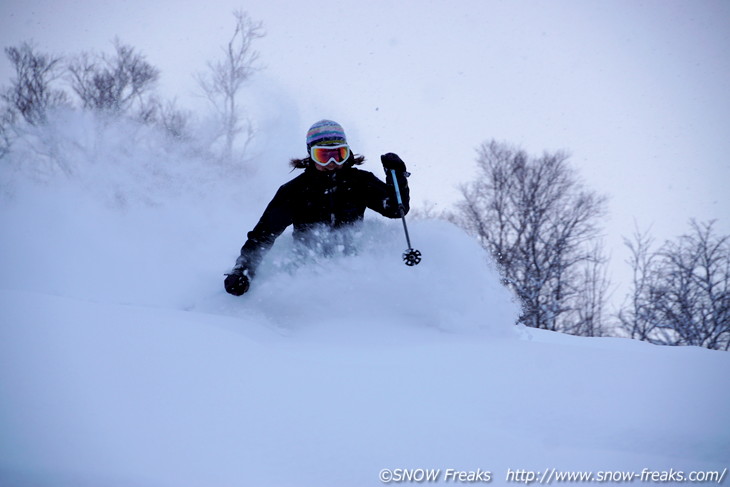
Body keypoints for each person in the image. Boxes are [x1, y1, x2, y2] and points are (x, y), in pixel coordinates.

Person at [224, 119, 411, 296]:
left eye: (339, 155)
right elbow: (263, 234)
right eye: (323, 156)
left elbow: (394, 209)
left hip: (354, 268)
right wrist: (243, 270)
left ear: (347, 153)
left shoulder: (360, 182)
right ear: (311, 155)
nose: (331, 164)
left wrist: (398, 178)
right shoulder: (295, 191)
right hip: (307, 271)